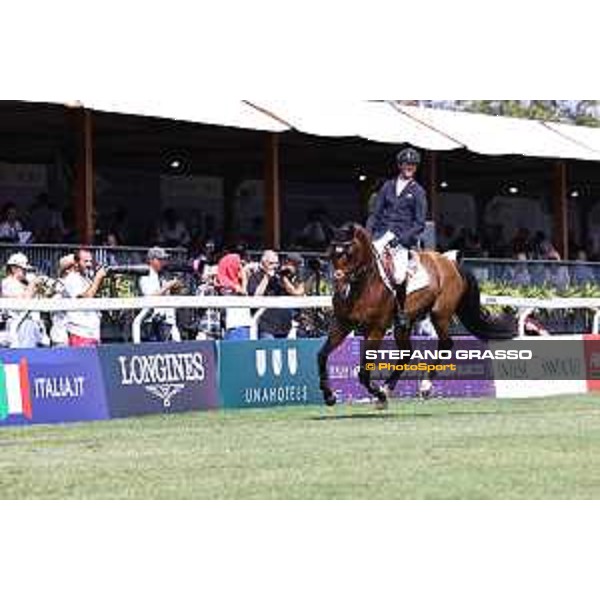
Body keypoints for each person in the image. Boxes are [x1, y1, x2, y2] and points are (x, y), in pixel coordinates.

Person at [366, 147, 428, 328]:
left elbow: (419, 223)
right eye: (406, 164)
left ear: (415, 168)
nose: (409, 167)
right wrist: (367, 234)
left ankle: (401, 310)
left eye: (412, 165)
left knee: (399, 276)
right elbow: (375, 213)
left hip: (402, 239)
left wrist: (400, 239)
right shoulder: (387, 186)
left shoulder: (418, 192)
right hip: (380, 234)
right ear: (400, 165)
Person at [247, 250, 305, 339]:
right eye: (271, 263)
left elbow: (297, 293)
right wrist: (267, 277)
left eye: (276, 263)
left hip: (285, 326)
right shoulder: (256, 276)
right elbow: (256, 296)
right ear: (263, 262)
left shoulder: (282, 277)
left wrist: (283, 276)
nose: (274, 266)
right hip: (266, 325)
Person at [63, 248, 107, 346]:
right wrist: (98, 278)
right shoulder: (71, 278)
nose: (89, 264)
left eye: (90, 261)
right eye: (85, 261)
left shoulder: (86, 278)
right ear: (76, 262)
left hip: (92, 332)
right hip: (80, 333)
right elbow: (86, 298)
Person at [1, 253, 45, 348]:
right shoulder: (7, 282)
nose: (26, 272)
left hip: (32, 324)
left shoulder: (24, 283)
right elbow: (23, 302)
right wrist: (33, 284)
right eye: (23, 269)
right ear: (13, 268)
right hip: (19, 325)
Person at [138, 247, 182, 342]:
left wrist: (176, 288)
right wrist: (168, 286)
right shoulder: (145, 276)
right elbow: (150, 296)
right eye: (160, 259)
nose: (163, 262)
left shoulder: (164, 275)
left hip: (168, 321)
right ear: (151, 260)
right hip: (152, 323)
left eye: (164, 259)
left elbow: (173, 294)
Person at [217, 252, 252, 340]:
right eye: (239, 264)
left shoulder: (227, 282)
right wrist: (244, 277)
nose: (241, 267)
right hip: (237, 325)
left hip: (234, 326)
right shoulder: (230, 285)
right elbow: (244, 292)